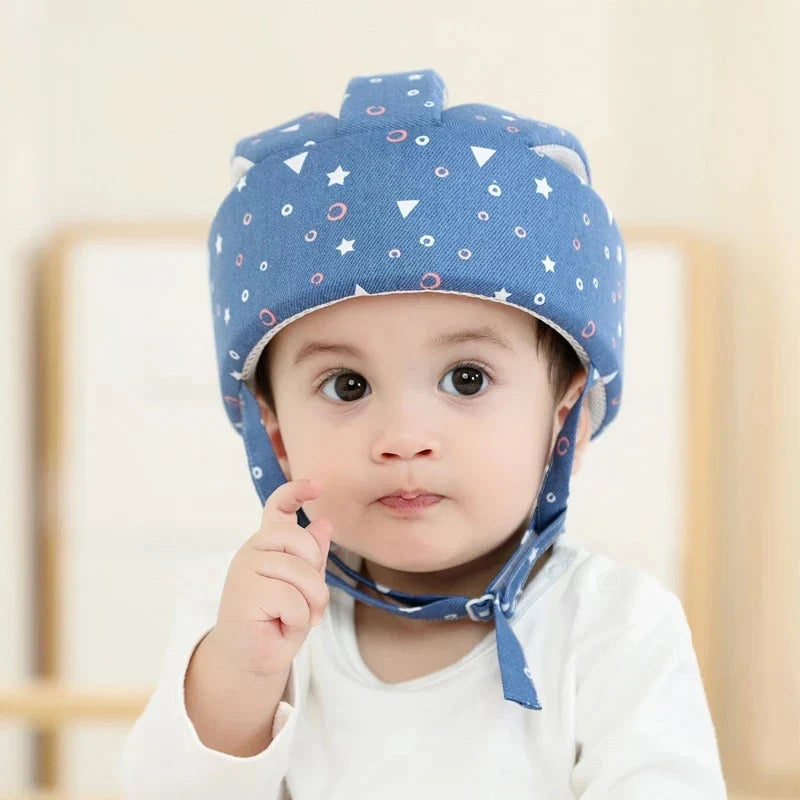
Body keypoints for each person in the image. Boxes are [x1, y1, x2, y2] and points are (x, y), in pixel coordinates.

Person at [120, 68, 728, 798]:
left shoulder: (613, 628)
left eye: (466, 379)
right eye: (347, 386)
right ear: (274, 431)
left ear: (564, 415)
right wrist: (241, 679)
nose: (404, 437)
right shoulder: (255, 619)